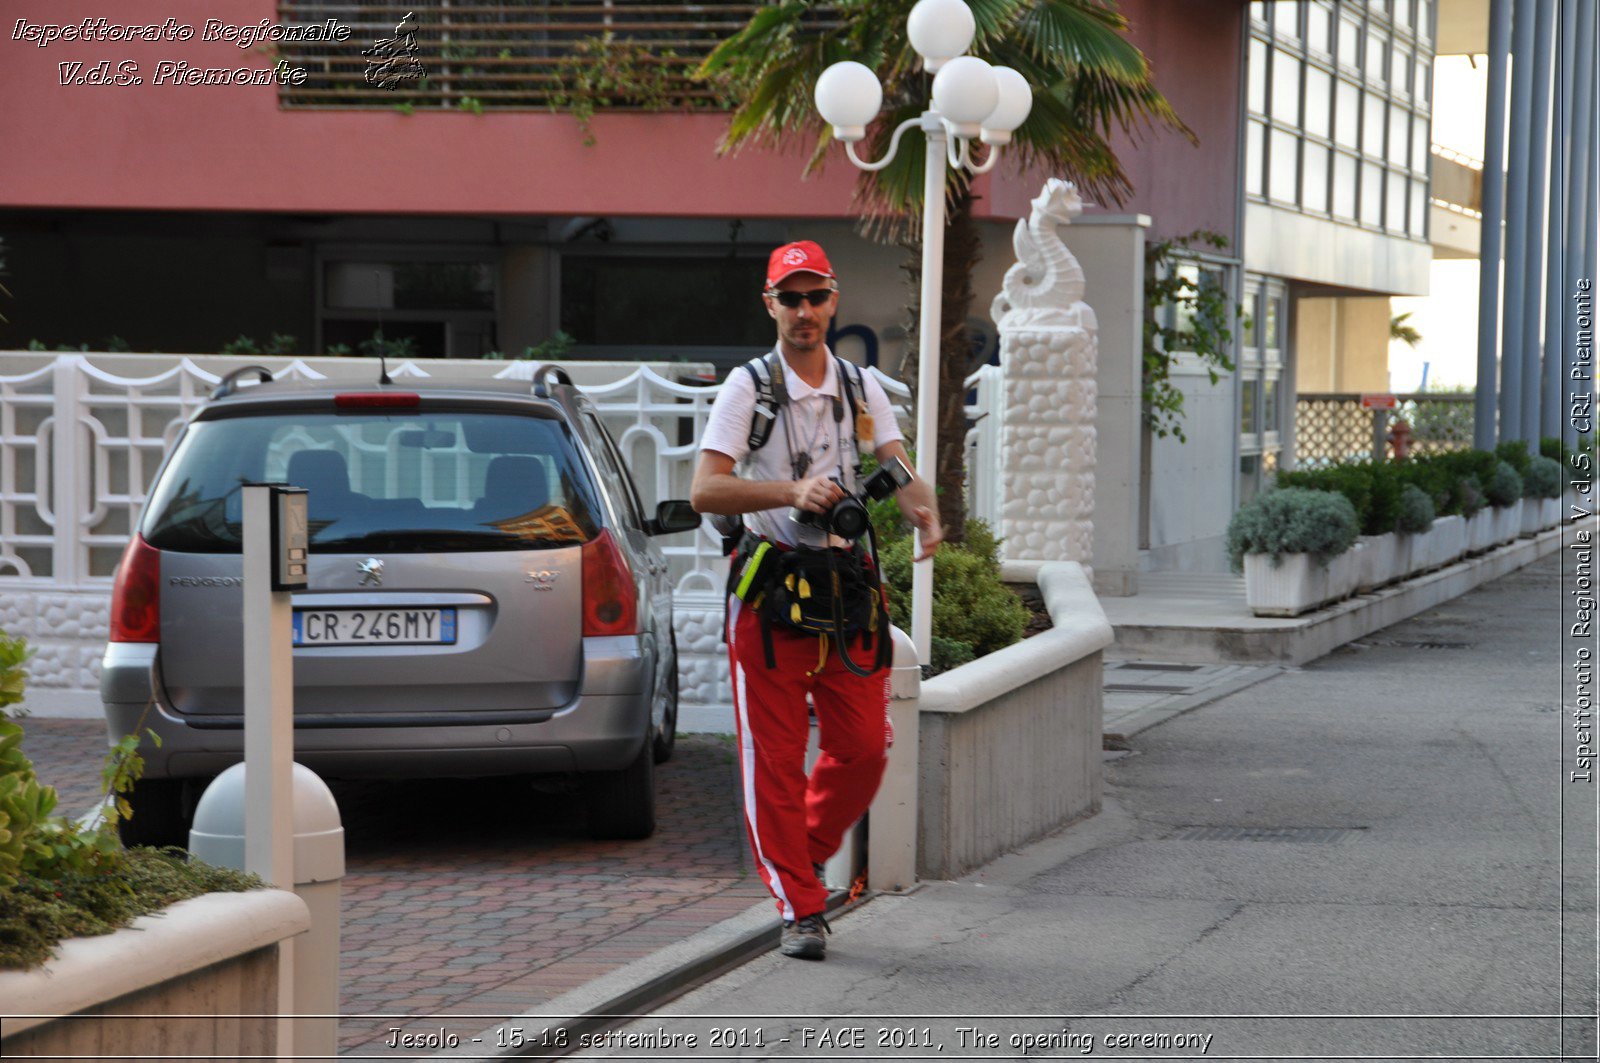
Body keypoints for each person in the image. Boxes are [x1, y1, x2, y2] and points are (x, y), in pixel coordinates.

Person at [689, 240, 942, 960]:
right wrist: (791, 490)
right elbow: (704, 490)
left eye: (816, 296)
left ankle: (799, 854)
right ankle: (801, 905)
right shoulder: (749, 387)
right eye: (789, 298)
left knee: (864, 747)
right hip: (770, 590)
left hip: (849, 588)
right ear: (769, 304)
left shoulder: (862, 386)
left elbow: (895, 462)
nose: (804, 311)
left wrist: (924, 509)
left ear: (833, 300)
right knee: (773, 759)